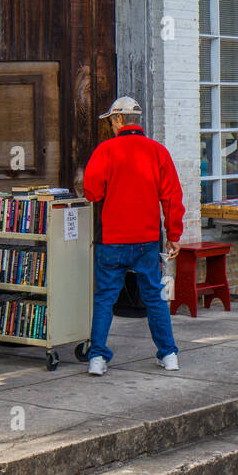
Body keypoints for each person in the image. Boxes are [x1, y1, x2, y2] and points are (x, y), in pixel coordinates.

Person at [82, 96, 185, 375]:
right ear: (136, 121)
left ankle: (97, 358)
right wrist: (174, 234)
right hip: (147, 239)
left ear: (118, 120)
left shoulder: (105, 150)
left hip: (112, 239)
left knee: (105, 298)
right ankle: (168, 354)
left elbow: (92, 192)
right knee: (155, 297)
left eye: (111, 121)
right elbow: (172, 197)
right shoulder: (158, 151)